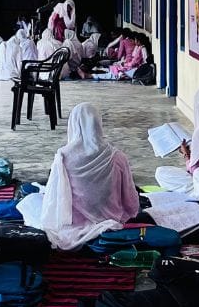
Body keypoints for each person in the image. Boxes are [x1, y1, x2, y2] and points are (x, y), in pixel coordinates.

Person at [39, 104, 139, 250]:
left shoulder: (63, 156)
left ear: (74, 124)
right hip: (111, 221)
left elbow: (54, 199)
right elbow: (130, 202)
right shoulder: (117, 157)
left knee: (30, 202)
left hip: (71, 226)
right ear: (98, 124)